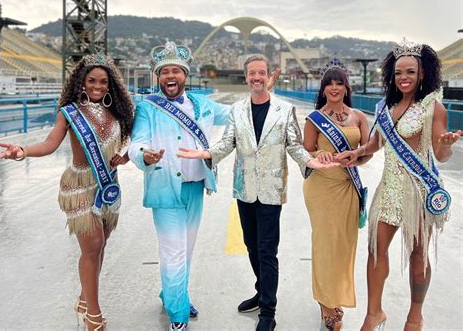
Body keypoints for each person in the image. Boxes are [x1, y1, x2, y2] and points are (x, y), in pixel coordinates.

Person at [177, 54, 338, 331]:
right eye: (252, 74)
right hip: (245, 189)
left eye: (261, 73)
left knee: (267, 251)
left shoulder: (284, 110)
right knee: (252, 246)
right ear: (247, 77)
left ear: (267, 76)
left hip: (271, 191)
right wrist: (206, 153)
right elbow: (228, 143)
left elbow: (295, 145)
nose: (257, 78)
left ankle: (268, 311)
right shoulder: (238, 110)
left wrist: (309, 161)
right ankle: (260, 289)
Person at [128, 42, 279, 331]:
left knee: (185, 250)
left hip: (195, 186)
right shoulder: (148, 108)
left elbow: (239, 111)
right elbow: (137, 141)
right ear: (158, 77)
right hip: (164, 188)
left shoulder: (202, 105)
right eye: (164, 72)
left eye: (176, 71)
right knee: (173, 251)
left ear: (185, 76)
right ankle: (178, 314)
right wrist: (144, 154)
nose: (170, 76)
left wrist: (262, 89)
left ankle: (173, 294)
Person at [0, 54, 134, 330]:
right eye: (92, 80)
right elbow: (49, 144)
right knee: (93, 245)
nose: (97, 86)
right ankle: (93, 315)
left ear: (111, 85)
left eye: (103, 81)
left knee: (101, 245)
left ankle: (85, 296)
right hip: (79, 185)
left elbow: (128, 147)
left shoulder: (119, 112)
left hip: (107, 185)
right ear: (81, 83)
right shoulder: (70, 112)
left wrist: (126, 156)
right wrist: (22, 151)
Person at [336, 39, 461, 331]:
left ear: (422, 75)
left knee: (419, 256)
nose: (403, 78)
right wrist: (358, 152)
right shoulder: (386, 106)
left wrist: (446, 145)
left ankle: (415, 316)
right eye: (398, 72)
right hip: (388, 188)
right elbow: (377, 142)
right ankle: (374, 313)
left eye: (410, 72)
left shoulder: (433, 107)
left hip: (418, 192)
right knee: (376, 251)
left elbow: (441, 156)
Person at [302, 61, 371, 330]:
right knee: (324, 244)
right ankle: (326, 302)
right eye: (329, 83)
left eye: (339, 82)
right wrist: (322, 154)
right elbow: (306, 152)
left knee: (343, 246)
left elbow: (367, 152)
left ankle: (335, 294)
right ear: (323, 89)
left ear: (346, 87)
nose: (334, 87)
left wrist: (356, 159)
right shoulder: (314, 118)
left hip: (348, 188)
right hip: (321, 188)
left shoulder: (359, 117)